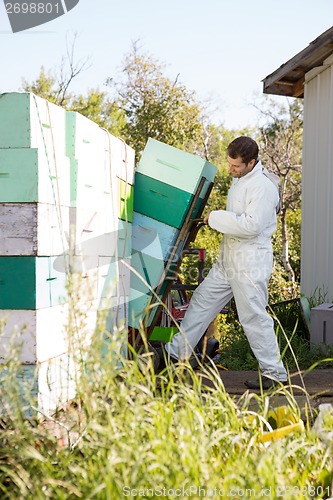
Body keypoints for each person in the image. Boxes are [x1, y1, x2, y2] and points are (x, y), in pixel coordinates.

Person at [162, 136, 287, 390]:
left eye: (237, 166)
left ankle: (275, 375)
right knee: (201, 301)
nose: (231, 169)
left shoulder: (263, 187)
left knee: (253, 317)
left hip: (249, 262)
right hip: (228, 259)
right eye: (230, 164)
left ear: (251, 163)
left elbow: (251, 226)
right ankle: (175, 355)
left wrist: (216, 218)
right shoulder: (240, 180)